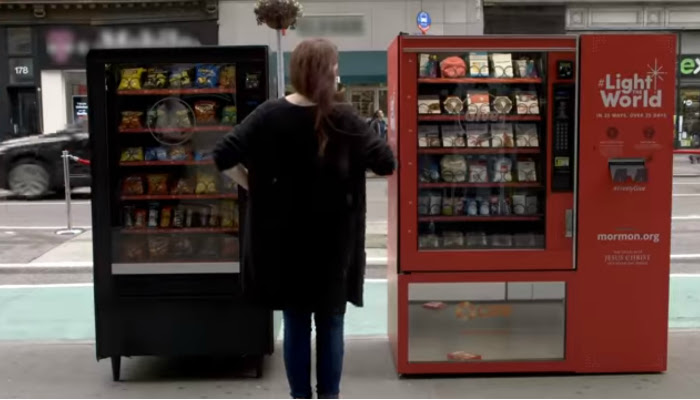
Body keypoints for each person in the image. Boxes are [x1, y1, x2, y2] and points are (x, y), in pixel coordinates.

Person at [212, 38, 395, 399]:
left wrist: (254, 186)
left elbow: (222, 155)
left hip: (284, 242)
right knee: (330, 324)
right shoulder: (344, 117)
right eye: (336, 66)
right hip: (334, 243)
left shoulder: (268, 114)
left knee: (296, 324)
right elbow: (385, 163)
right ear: (328, 72)